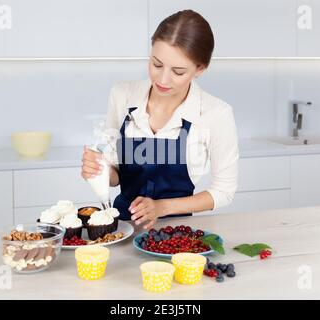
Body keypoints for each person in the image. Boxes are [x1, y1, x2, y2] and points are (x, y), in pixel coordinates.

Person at [81, 9, 239, 230]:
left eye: (178, 71)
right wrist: (99, 171)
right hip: (122, 226)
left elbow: (224, 191)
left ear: (200, 69)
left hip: (177, 231)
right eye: (156, 64)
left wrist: (161, 207)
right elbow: (116, 176)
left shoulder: (216, 114)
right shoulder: (122, 96)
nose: (163, 79)